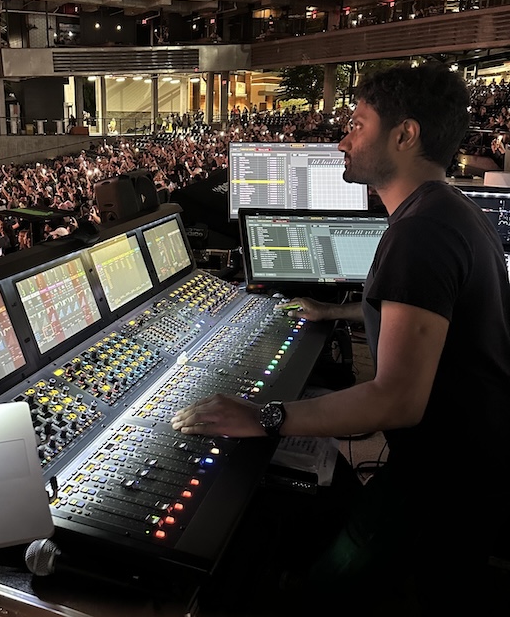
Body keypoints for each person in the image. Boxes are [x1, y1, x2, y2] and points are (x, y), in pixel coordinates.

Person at [172, 62, 510, 612]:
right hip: (471, 463)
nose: (341, 140)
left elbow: (396, 399)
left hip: (446, 485)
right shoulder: (450, 211)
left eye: (356, 123)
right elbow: (426, 315)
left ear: (404, 135)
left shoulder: (420, 233)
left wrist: (266, 416)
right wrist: (337, 311)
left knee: (323, 590)